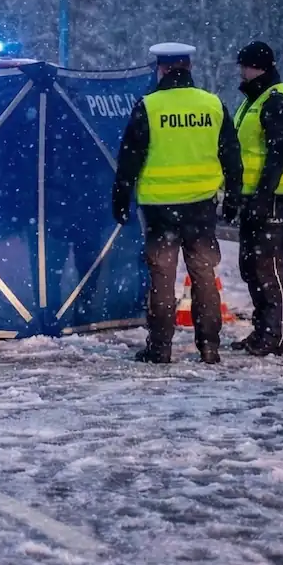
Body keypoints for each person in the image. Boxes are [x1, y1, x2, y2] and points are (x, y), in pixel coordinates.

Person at [111, 42, 243, 364]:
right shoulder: (213, 105)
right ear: (189, 67)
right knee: (204, 275)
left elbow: (130, 158)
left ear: (161, 69)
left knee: (162, 278)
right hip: (201, 206)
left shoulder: (149, 106)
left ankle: (160, 348)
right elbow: (231, 156)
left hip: (160, 209)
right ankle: (209, 347)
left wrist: (121, 196)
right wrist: (233, 197)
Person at [225, 41, 283, 357]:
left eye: (246, 66)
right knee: (252, 266)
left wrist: (261, 196)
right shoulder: (253, 101)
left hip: (272, 198)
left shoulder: (276, 100)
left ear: (259, 67)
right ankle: (263, 331)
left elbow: (278, 155)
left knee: (269, 267)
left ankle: (277, 337)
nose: (241, 72)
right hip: (254, 197)